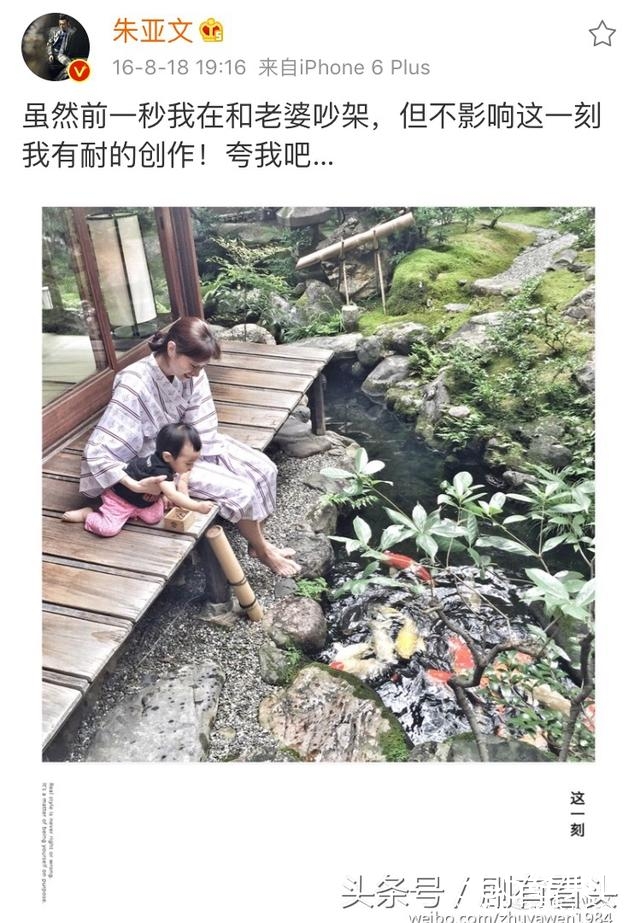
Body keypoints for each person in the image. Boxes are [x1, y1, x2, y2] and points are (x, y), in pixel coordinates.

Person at [77, 316, 301, 576]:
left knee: (264, 468)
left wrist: (188, 471)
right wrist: (141, 485)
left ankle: (257, 543)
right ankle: (263, 551)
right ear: (171, 348)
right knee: (242, 491)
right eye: (193, 365)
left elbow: (202, 425)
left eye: (200, 367)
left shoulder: (193, 373)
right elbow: (99, 452)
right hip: (162, 461)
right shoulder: (133, 383)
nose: (195, 373)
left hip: (192, 446)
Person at [63, 422, 214, 536]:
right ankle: (87, 515)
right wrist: (197, 507)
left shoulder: (161, 459)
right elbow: (174, 495)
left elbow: (170, 489)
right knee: (108, 529)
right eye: (188, 463)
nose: (191, 468)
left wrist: (163, 494)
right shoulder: (161, 472)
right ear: (168, 456)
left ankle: (134, 512)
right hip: (120, 499)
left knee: (155, 517)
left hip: (142, 500)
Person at [46, 15, 78, 80]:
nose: (61, 26)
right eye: (60, 24)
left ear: (68, 24)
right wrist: (50, 54)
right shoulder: (53, 31)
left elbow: (74, 29)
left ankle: (57, 79)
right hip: (53, 52)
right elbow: (49, 44)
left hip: (61, 54)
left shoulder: (71, 32)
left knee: (71, 66)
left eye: (63, 24)